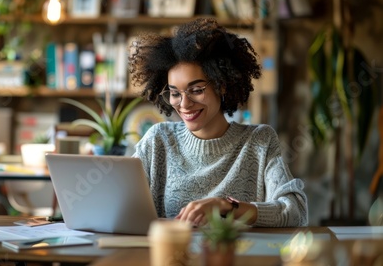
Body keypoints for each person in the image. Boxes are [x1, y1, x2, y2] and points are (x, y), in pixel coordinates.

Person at [129, 17, 308, 227]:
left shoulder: (259, 141)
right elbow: (120, 203)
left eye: (196, 90)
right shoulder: (157, 140)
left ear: (221, 85)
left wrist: (226, 206)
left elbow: (296, 212)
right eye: (175, 93)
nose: (184, 104)